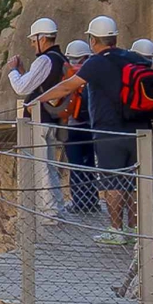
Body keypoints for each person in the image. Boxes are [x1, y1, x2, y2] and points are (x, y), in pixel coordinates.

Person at [39, 16, 153, 244]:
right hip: (141, 128)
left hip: (109, 130)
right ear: (115, 37)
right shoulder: (133, 57)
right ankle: (133, 228)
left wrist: (37, 100)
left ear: (93, 40)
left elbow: (68, 86)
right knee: (132, 180)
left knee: (112, 181)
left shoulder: (96, 62)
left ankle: (115, 230)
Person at [7, 17, 69, 215]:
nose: (33, 45)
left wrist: (13, 71)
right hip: (52, 117)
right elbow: (40, 84)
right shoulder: (61, 58)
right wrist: (25, 71)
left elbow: (21, 87)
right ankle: (57, 208)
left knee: (42, 168)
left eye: (34, 41)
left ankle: (49, 213)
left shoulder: (45, 59)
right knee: (49, 167)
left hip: (40, 119)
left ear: (42, 38)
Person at [59, 40, 99, 214]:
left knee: (75, 166)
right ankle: (92, 200)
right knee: (89, 164)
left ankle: (79, 202)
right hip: (90, 127)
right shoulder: (93, 74)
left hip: (72, 127)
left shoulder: (68, 75)